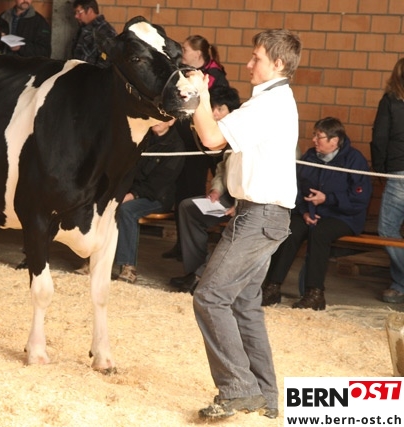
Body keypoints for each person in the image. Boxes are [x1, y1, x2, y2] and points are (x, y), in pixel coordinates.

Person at [186, 29, 302, 420]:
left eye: (257, 58)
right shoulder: (272, 101)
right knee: (243, 305)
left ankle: (238, 390)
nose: (249, 64)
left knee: (209, 296)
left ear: (278, 63)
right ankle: (265, 396)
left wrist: (201, 94)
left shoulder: (268, 105)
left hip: (260, 216)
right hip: (263, 214)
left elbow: (211, 137)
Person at [262, 117, 372, 310]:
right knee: (291, 230)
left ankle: (314, 293)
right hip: (311, 212)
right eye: (314, 135)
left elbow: (359, 198)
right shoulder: (310, 157)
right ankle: (272, 287)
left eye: (319, 136)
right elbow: (296, 188)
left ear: (334, 140)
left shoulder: (354, 160)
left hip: (343, 216)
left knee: (319, 233)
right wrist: (304, 211)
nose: (314, 140)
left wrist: (327, 199)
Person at [168, 85, 241, 293]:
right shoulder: (226, 136)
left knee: (238, 226)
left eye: (220, 109)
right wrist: (216, 190)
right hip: (228, 196)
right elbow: (222, 170)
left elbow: (253, 178)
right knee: (188, 207)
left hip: (247, 201)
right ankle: (193, 272)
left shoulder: (242, 133)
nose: (215, 114)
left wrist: (239, 205)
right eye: (213, 109)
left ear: (232, 111)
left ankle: (203, 275)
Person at [163, 35, 230, 261]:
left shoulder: (216, 78)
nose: (182, 51)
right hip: (185, 143)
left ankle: (193, 248)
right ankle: (181, 244)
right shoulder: (185, 74)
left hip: (203, 146)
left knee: (193, 191)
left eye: (185, 49)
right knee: (180, 191)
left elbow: (214, 110)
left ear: (198, 54)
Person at [114, 120, 185, 284]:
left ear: (171, 121)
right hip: (132, 191)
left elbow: (160, 183)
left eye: (162, 118)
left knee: (127, 210)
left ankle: (128, 268)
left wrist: (131, 195)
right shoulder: (143, 137)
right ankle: (92, 261)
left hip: (158, 197)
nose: (157, 121)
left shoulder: (176, 146)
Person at [371, 58, 404, 304]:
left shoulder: (390, 101)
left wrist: (380, 170)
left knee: (387, 230)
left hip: (398, 172)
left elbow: (380, 138)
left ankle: (400, 283)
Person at [70, 0, 116, 68]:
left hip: (90, 73)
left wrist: (92, 74)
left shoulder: (106, 31)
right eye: (75, 13)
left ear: (90, 11)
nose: (76, 16)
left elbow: (106, 62)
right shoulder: (83, 28)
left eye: (79, 12)